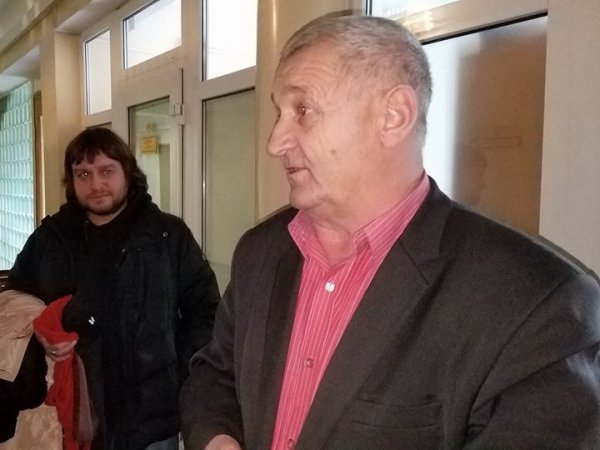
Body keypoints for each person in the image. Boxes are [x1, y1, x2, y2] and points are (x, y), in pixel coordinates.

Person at [179, 14, 600, 450]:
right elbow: (216, 374)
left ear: (394, 116)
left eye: (302, 110)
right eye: (279, 112)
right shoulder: (262, 250)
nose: (275, 141)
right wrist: (217, 439)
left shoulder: (535, 302)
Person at [4, 128, 220, 449]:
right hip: (70, 414)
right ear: (71, 180)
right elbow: (17, 295)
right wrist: (40, 334)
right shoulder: (51, 238)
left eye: (106, 171)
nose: (95, 185)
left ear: (128, 173)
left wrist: (175, 372)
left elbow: (206, 311)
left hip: (151, 418)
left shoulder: (166, 235)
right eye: (83, 174)